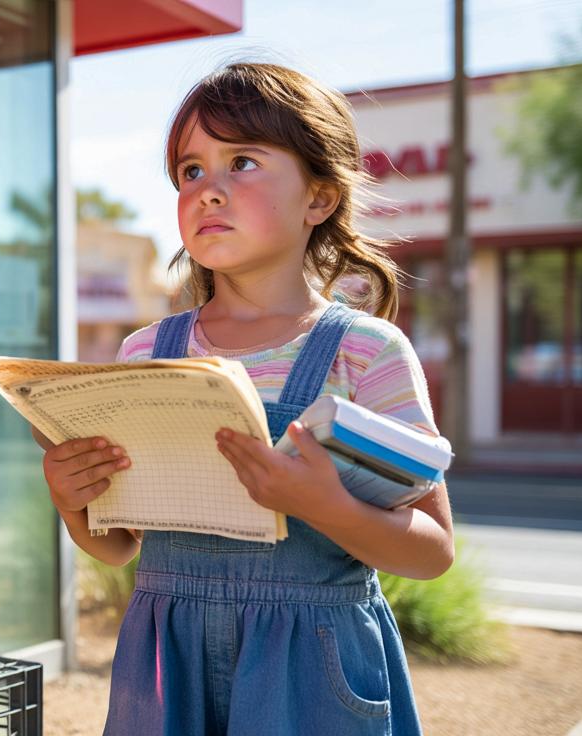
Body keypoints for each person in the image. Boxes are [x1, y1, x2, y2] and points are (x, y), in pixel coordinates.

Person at [35, 62, 453, 735]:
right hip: (166, 661)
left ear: (318, 198)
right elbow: (119, 548)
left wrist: (326, 505)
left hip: (312, 666)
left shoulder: (367, 353)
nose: (208, 191)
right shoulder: (146, 354)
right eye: (191, 171)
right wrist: (72, 500)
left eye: (243, 162)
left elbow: (432, 550)